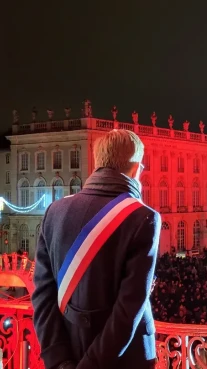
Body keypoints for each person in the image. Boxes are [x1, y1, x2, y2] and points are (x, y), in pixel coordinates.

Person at [32, 129, 160, 369]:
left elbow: (42, 296)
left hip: (68, 351)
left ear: (98, 164)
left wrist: (59, 360)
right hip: (124, 360)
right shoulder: (144, 218)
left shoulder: (55, 212)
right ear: (135, 168)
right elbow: (128, 311)